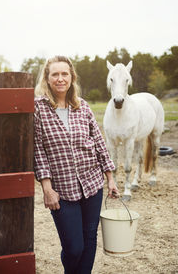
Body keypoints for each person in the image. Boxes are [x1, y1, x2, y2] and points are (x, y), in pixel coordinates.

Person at [34, 55, 119, 274]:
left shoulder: (83, 107)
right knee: (74, 248)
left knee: (89, 240)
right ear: (47, 78)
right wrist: (47, 188)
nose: (60, 79)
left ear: (72, 78)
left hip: (92, 185)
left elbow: (99, 144)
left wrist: (110, 179)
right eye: (55, 74)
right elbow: (38, 150)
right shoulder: (38, 109)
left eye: (65, 74)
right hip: (62, 190)